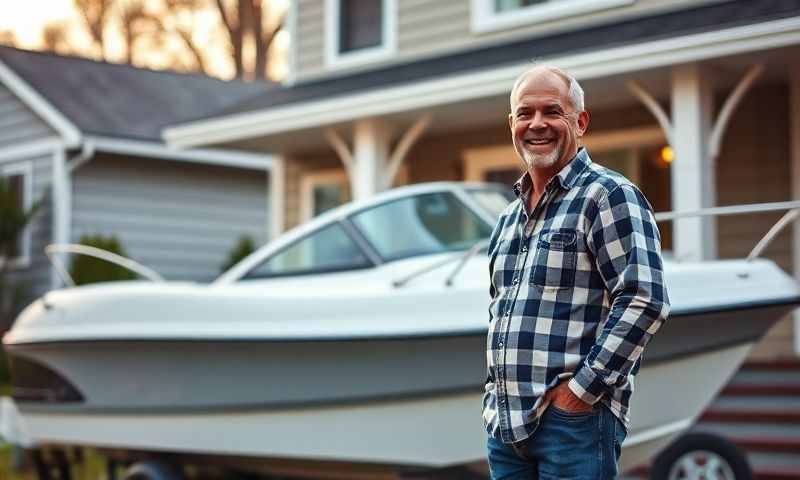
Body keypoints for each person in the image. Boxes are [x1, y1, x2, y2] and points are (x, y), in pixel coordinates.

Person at [483, 65, 670, 479]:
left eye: (552, 111)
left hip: (574, 427)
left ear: (580, 122)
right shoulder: (508, 219)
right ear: (512, 124)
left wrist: (580, 393)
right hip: (506, 428)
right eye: (525, 113)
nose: (537, 124)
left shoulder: (608, 195)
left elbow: (645, 300)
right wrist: (494, 397)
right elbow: (501, 313)